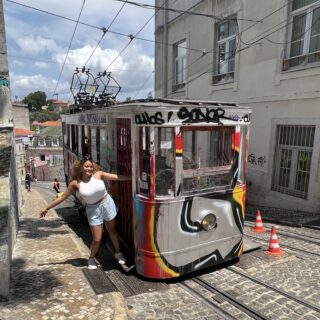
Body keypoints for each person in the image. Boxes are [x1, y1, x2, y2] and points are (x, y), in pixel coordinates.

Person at [39, 156, 130, 270]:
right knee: (97, 239)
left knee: (112, 231)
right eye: (86, 166)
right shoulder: (75, 183)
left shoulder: (98, 174)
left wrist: (133, 177)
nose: (89, 168)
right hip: (93, 209)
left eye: (91, 166)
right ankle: (91, 258)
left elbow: (116, 177)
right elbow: (62, 197)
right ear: (81, 167)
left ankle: (118, 253)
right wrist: (46, 208)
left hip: (107, 203)